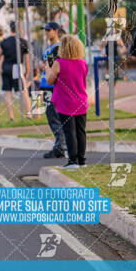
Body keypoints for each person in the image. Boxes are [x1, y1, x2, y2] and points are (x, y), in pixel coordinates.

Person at [44, 35, 88, 169]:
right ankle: (81, 160)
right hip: (81, 101)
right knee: (81, 132)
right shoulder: (82, 62)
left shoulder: (59, 63)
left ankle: (72, 161)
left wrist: (47, 67)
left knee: (70, 132)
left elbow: (50, 80)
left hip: (65, 103)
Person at [39, 22, 66, 158]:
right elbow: (47, 66)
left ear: (56, 31)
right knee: (51, 116)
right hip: (46, 85)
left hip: (53, 86)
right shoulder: (49, 48)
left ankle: (60, 146)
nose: (46, 32)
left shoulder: (58, 48)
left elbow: (54, 68)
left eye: (49, 30)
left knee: (54, 116)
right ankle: (59, 144)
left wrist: (44, 67)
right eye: (45, 30)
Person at [0, 21, 32, 121]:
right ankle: (29, 114)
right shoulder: (23, 42)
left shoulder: (3, 42)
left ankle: (11, 116)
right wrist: (27, 72)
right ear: (19, 29)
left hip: (6, 68)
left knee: (8, 93)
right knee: (23, 91)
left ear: (10, 29)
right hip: (17, 67)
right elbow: (27, 59)